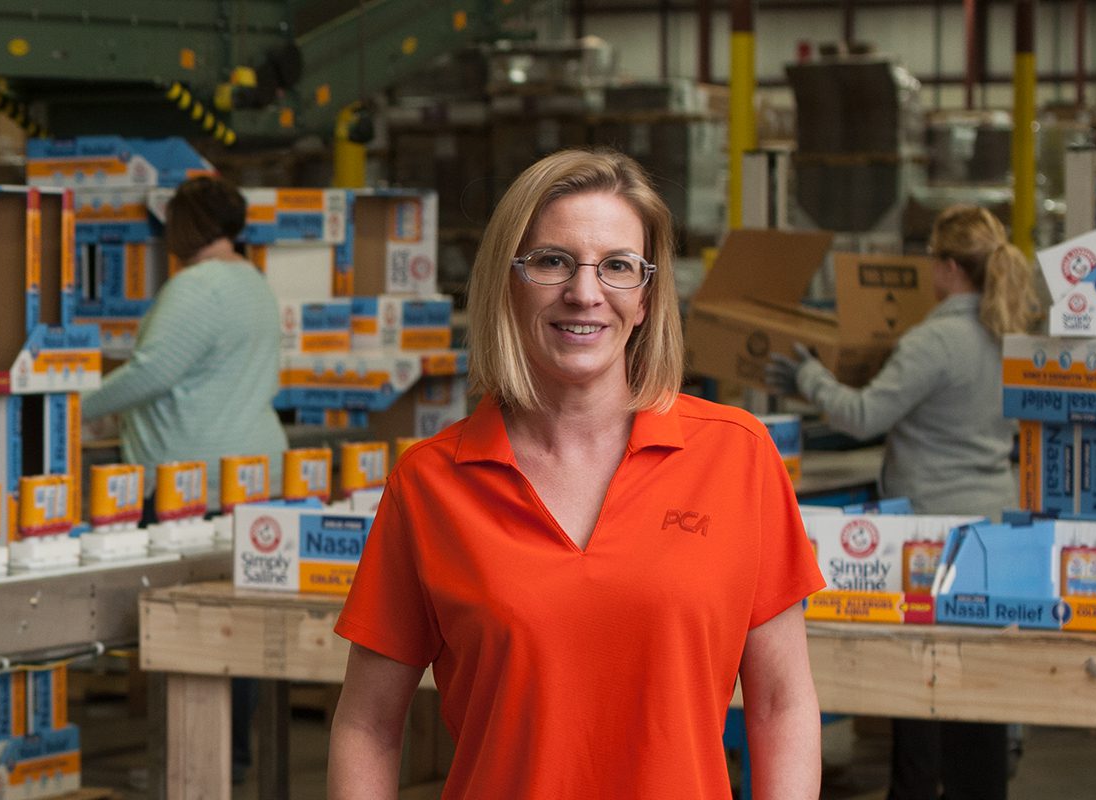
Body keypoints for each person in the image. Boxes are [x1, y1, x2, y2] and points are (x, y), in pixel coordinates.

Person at [328, 148, 826, 799]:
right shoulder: (429, 485)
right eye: (552, 261)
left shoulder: (737, 457)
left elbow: (780, 706)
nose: (585, 293)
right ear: (510, 280)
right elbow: (367, 725)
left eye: (618, 266)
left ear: (646, 297)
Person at [764, 204, 1042, 800]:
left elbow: (863, 415)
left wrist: (808, 376)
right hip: (994, 521)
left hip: (932, 535)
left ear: (945, 268)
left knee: (917, 678)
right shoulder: (1011, 330)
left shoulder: (936, 339)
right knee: (979, 684)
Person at [80, 174, 287, 783]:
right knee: (236, 621)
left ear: (185, 227)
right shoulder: (250, 280)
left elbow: (151, 372)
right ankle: (232, 757)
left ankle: (198, 766)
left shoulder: (197, 287)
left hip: (193, 479)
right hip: (250, 470)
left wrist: (70, 405)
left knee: (190, 626)